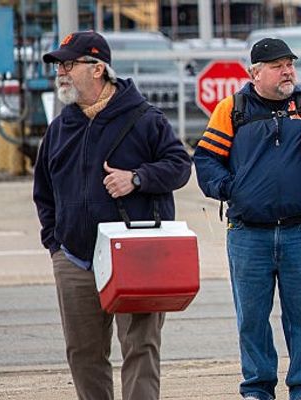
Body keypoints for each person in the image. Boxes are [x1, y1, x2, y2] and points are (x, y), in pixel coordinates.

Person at [193, 38, 301, 400]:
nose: (287, 72)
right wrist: (233, 189)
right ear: (254, 73)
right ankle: (257, 389)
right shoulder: (232, 109)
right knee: (252, 320)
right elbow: (205, 160)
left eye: (290, 64)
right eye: (277, 66)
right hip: (247, 234)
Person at [33, 31, 192, 400]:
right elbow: (43, 191)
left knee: (140, 347)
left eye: (68, 65)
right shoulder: (59, 129)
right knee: (83, 353)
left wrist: (137, 178)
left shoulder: (145, 119)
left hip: (136, 255)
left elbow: (180, 166)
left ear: (98, 69)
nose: (61, 73)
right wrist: (55, 245)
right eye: (59, 66)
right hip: (74, 258)